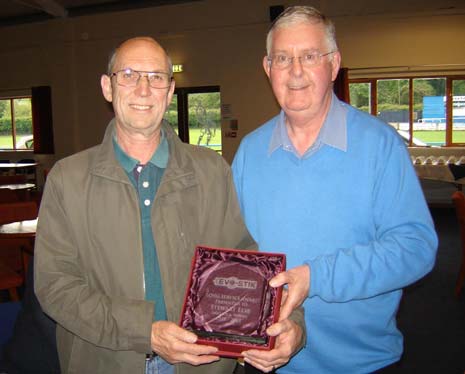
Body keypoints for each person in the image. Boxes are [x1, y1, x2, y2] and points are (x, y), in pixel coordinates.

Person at [34, 36, 303, 374]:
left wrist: (290, 325)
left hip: (200, 364)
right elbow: (55, 286)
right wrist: (144, 332)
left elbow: (243, 262)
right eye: (129, 75)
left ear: (170, 90)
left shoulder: (210, 170)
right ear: (107, 87)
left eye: (156, 77)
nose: (144, 89)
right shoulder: (67, 179)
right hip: (106, 361)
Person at [232, 6, 438, 373]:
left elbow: (416, 249)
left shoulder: (380, 146)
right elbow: (234, 248)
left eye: (309, 56)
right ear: (268, 69)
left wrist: (315, 277)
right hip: (266, 361)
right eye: (282, 58)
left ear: (334, 64)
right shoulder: (250, 151)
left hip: (359, 364)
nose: (295, 71)